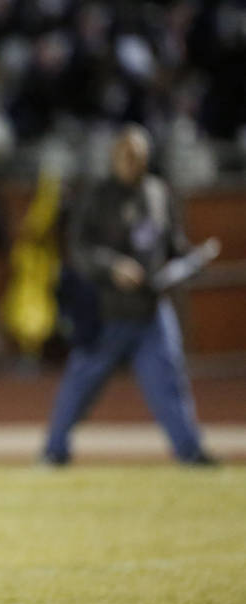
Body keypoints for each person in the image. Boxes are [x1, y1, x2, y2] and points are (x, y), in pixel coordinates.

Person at [41, 124, 216, 467]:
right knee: (79, 387)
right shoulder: (97, 196)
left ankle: (190, 452)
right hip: (106, 312)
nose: (133, 162)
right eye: (127, 155)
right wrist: (112, 266)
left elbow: (171, 244)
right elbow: (78, 248)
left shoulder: (158, 193)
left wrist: (191, 260)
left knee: (169, 384)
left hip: (151, 310)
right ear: (115, 156)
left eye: (139, 156)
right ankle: (54, 451)